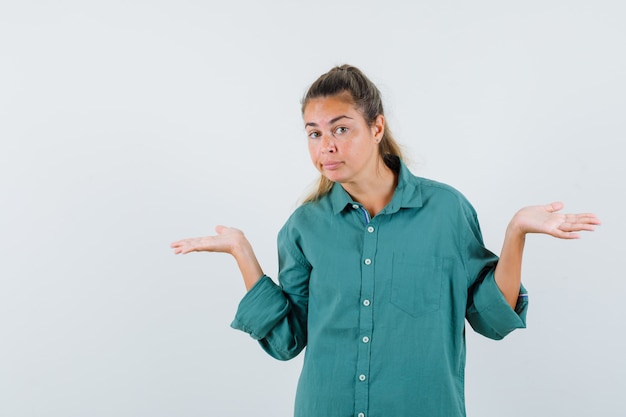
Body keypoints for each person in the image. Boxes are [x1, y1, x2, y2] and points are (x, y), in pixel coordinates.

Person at [170, 64, 600, 417]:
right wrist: (244, 255)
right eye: (314, 133)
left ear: (376, 128)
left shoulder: (446, 211)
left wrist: (516, 233)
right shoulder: (304, 226)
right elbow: (288, 342)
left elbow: (491, 318)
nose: (326, 147)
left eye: (341, 129)